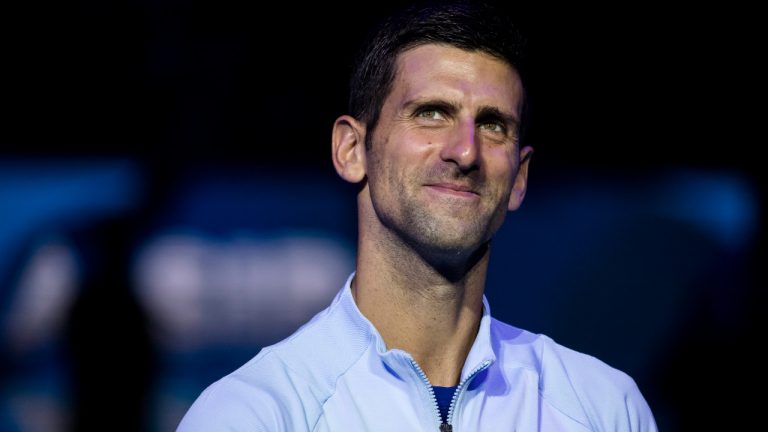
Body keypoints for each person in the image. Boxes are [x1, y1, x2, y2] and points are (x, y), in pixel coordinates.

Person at [177, 1, 658, 431]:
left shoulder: (604, 409)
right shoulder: (256, 414)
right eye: (431, 113)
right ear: (351, 150)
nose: (466, 151)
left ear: (520, 177)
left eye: (493, 125)